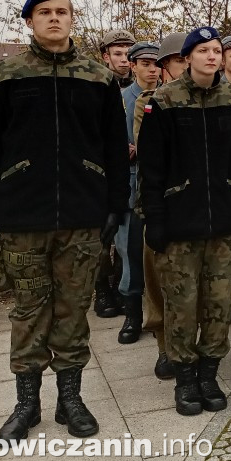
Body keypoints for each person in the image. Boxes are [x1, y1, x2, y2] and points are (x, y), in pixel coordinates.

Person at [0, 0, 129, 440]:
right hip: (22, 218)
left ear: (72, 18)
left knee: (73, 310)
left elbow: (115, 149)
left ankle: (71, 399)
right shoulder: (5, 77)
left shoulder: (97, 77)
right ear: (30, 22)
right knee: (29, 312)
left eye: (62, 11)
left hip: (82, 216)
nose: (54, 18)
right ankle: (26, 405)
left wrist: (116, 204)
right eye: (45, 12)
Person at [138, 26, 231, 416]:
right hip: (179, 224)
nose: (212, 56)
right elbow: (151, 168)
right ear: (187, 57)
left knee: (219, 302)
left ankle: (209, 374)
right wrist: (154, 218)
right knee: (181, 305)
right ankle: (186, 378)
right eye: (203, 51)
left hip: (226, 223)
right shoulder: (163, 101)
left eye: (216, 51)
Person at [132, 33, 187, 380]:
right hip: (159, 199)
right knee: (157, 280)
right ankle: (164, 346)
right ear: (166, 66)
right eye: (180, 60)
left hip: (194, 203)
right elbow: (149, 150)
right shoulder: (149, 102)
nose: (186, 65)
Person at [117, 41, 161, 346]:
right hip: (131, 181)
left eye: (156, 63)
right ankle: (132, 313)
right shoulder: (121, 100)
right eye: (145, 63)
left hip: (159, 183)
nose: (152, 69)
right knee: (131, 249)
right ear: (133, 66)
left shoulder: (166, 97)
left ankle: (160, 310)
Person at [94, 28, 137, 319]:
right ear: (105, 56)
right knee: (101, 236)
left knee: (128, 232)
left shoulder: (141, 86)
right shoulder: (95, 84)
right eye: (117, 54)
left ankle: (123, 287)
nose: (123, 60)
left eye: (127, 54)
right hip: (100, 172)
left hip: (130, 172)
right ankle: (101, 289)